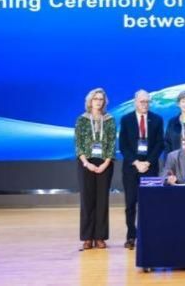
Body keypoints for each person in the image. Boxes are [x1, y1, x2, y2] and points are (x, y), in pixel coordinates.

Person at [119, 89, 164, 250]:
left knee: (150, 203)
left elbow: (159, 144)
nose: (145, 104)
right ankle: (131, 236)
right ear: (135, 102)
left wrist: (148, 162)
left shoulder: (157, 119)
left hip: (150, 167)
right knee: (130, 203)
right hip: (131, 168)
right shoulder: (126, 119)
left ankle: (149, 235)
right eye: (142, 102)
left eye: (147, 102)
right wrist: (136, 162)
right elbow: (123, 145)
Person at [74, 87, 116, 250]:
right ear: (90, 101)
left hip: (105, 163)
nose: (98, 102)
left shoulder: (109, 120)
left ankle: (100, 237)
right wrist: (86, 163)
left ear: (104, 102)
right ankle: (87, 237)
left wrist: (105, 163)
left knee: (102, 201)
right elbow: (78, 144)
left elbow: (112, 144)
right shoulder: (82, 120)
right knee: (87, 200)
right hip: (86, 163)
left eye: (101, 99)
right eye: (95, 99)